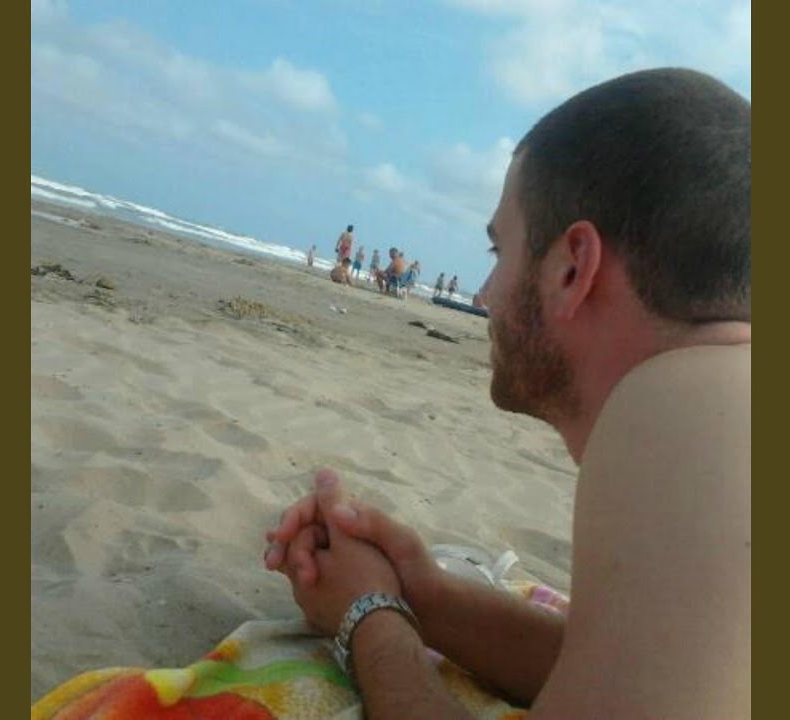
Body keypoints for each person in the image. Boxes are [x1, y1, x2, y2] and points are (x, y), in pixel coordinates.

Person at [264, 68, 751, 719]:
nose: (487, 294)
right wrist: (425, 595)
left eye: (498, 251)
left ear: (573, 267)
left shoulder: (686, 411)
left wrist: (369, 616)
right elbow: (634, 672)